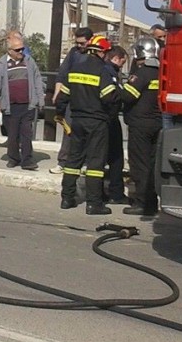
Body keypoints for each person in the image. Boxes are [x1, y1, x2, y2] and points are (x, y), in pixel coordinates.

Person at [55, 34, 119, 215]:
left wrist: (60, 114)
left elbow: (63, 96)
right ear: (101, 53)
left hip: (77, 121)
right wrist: (111, 115)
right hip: (97, 122)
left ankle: (66, 199)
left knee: (72, 160)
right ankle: (94, 204)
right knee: (95, 164)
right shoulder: (103, 71)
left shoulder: (75, 68)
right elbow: (110, 98)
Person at [0, 30, 45, 170]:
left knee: (26, 134)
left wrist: (40, 99)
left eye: (22, 48)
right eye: (18, 49)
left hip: (27, 105)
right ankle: (13, 158)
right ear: (9, 51)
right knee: (13, 135)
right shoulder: (0, 64)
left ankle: (27, 160)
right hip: (10, 106)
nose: (21, 51)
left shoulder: (29, 61)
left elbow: (37, 80)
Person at [120, 37, 163, 216]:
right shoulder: (161, 72)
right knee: (152, 165)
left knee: (139, 165)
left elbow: (128, 96)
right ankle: (151, 203)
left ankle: (141, 203)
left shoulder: (141, 73)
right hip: (157, 123)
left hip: (140, 125)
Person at [50, 27, 93, 174]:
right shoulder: (74, 53)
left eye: (82, 43)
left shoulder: (95, 55)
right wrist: (57, 94)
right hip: (72, 99)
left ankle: (86, 163)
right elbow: (62, 74)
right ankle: (63, 162)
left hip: (89, 101)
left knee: (88, 133)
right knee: (69, 131)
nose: (80, 46)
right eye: (77, 43)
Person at [103, 45, 130, 204]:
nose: (122, 66)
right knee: (114, 158)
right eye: (122, 62)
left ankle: (113, 192)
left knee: (113, 157)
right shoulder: (109, 72)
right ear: (115, 58)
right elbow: (111, 95)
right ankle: (115, 193)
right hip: (108, 119)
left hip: (109, 119)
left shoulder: (109, 71)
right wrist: (124, 94)